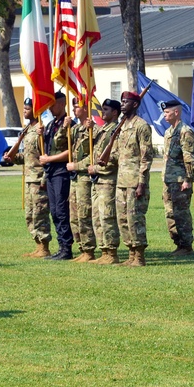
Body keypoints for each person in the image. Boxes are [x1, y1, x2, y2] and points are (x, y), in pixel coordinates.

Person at [108, 90, 153, 267]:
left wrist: (142, 182)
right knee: (123, 219)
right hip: (121, 181)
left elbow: (146, 157)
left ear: (135, 104)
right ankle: (131, 254)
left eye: (126, 102)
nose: (122, 104)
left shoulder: (141, 126)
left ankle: (139, 256)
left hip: (135, 181)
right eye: (122, 101)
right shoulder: (122, 126)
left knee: (135, 219)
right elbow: (119, 153)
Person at [4, 98, 51, 258]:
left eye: (27, 108)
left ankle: (44, 247)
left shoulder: (41, 129)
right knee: (30, 214)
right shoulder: (27, 130)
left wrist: (44, 179)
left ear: (36, 110)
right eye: (23, 108)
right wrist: (14, 158)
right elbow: (29, 156)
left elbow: (45, 155)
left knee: (40, 213)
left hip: (38, 179)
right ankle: (38, 246)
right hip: (29, 178)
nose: (24, 111)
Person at [38, 92, 73, 260]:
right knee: (54, 211)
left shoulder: (69, 124)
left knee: (61, 210)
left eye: (52, 105)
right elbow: (46, 148)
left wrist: (49, 159)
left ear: (61, 104)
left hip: (62, 172)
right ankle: (61, 247)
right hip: (51, 172)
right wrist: (41, 135)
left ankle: (67, 248)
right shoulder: (51, 125)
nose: (49, 109)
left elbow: (71, 152)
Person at [160, 100, 194, 256]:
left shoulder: (185, 131)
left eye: (167, 113)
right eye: (164, 113)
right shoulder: (169, 132)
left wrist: (188, 179)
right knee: (170, 213)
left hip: (180, 180)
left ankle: (186, 246)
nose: (164, 116)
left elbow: (189, 157)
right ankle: (178, 243)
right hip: (169, 180)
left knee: (181, 214)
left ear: (176, 112)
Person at [87, 100, 122, 264]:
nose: (103, 112)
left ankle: (112, 252)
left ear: (115, 112)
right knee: (97, 217)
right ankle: (104, 251)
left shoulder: (116, 130)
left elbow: (114, 158)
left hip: (108, 180)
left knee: (107, 216)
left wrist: (97, 169)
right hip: (97, 181)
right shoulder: (103, 130)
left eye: (106, 110)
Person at [64, 98, 96, 262]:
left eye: (77, 106)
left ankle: (89, 249)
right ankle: (82, 248)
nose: (74, 109)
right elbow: (61, 144)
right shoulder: (75, 129)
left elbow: (95, 154)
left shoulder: (93, 129)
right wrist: (65, 127)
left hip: (84, 176)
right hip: (75, 178)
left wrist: (77, 166)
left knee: (84, 214)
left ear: (85, 109)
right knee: (74, 215)